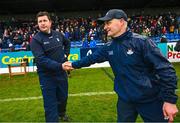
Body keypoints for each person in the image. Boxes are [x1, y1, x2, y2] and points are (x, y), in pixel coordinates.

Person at [62, 9, 178, 122]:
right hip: (125, 100)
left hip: (150, 99)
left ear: (121, 21)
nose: (105, 27)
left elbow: (166, 69)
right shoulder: (109, 46)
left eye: (109, 23)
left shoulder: (142, 42)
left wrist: (170, 100)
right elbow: (92, 58)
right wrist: (73, 64)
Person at [30, 11, 70, 122]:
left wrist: (66, 55)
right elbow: (41, 60)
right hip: (46, 76)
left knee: (63, 97)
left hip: (61, 74)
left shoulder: (58, 34)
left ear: (50, 22)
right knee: (50, 103)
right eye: (40, 21)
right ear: (37, 24)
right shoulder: (35, 40)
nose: (42, 23)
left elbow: (67, 43)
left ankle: (62, 113)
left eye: (44, 20)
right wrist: (60, 65)